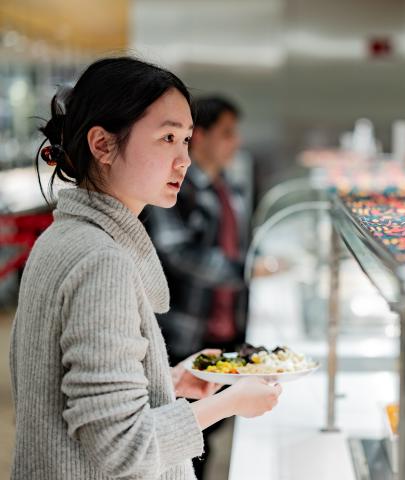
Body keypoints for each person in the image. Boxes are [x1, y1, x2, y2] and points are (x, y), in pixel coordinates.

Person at [9, 57, 282, 480]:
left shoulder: (63, 238)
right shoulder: (101, 261)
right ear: (102, 145)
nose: (184, 159)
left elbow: (71, 398)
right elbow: (122, 449)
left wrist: (165, 380)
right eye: (167, 137)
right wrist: (230, 402)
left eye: (187, 139)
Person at [141, 95, 250, 479]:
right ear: (200, 136)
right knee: (183, 442)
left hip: (224, 327)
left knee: (209, 434)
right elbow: (178, 252)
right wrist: (246, 270)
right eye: (226, 133)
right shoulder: (174, 192)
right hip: (185, 330)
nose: (235, 142)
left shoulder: (230, 188)